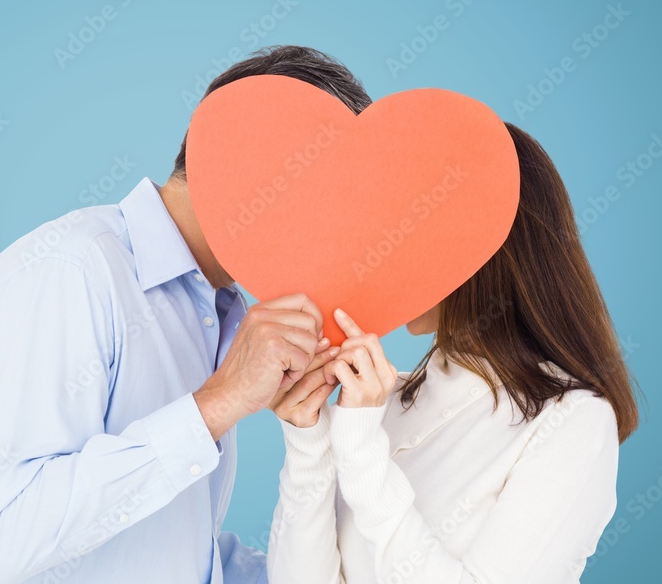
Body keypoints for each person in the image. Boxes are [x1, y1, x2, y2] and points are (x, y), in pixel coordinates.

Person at [0, 46, 373, 584]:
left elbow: (166, 549)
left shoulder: (216, 309)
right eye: (330, 199)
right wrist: (218, 403)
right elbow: (5, 540)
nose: (334, 235)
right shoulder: (68, 269)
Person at [267, 123, 640, 583]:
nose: (380, 249)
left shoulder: (574, 421)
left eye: (405, 227)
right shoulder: (381, 403)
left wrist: (363, 450)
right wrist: (309, 441)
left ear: (478, 250)